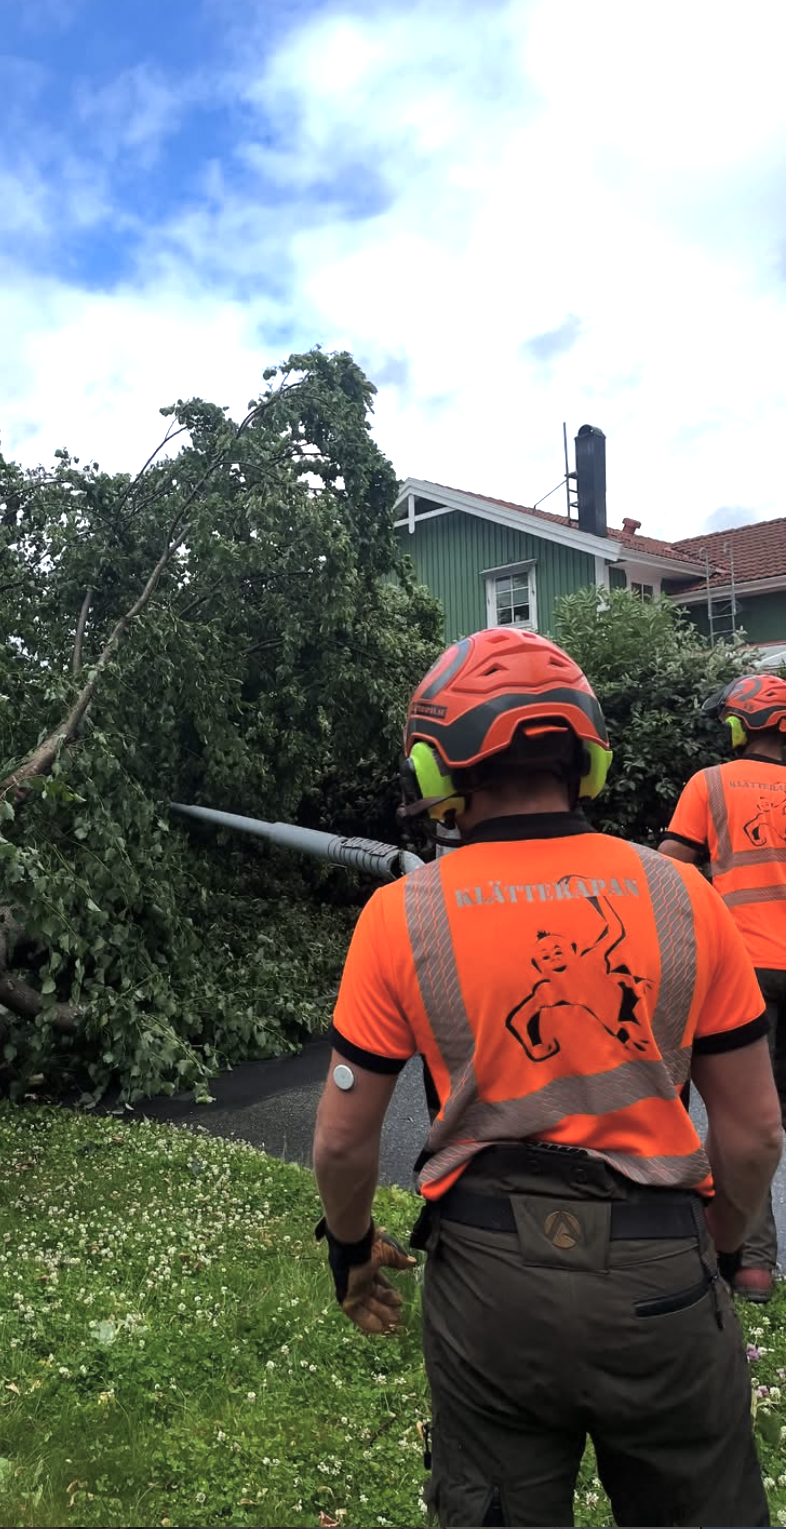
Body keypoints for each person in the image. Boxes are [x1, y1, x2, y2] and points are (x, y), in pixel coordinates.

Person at [311, 627, 782, 1529]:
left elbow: (341, 1136)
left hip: (490, 1287)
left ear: (438, 766)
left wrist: (350, 1245)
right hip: (665, 1276)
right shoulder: (688, 899)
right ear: (586, 758)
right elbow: (756, 1133)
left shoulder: (399, 915)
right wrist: (717, 1254)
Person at [658, 673, 786, 1303]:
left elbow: (671, 872)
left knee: (742, 1116)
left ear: (740, 726)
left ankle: (751, 1261)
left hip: (745, 969)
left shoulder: (709, 784)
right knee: (774, 1118)